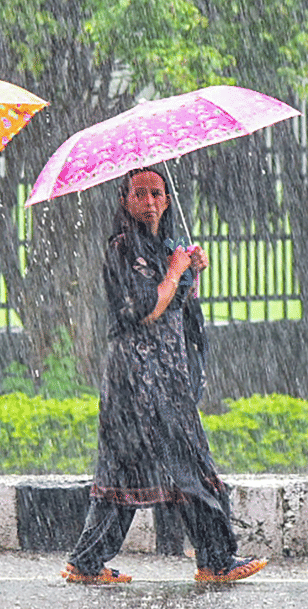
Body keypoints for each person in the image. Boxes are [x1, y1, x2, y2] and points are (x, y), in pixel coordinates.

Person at [61, 167, 267, 584]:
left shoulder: (164, 246)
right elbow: (146, 308)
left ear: (168, 200)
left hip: (168, 376)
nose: (150, 201)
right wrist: (175, 272)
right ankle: (215, 558)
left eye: (158, 193)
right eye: (141, 194)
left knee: (141, 468)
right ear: (125, 201)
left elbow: (177, 308)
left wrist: (192, 273)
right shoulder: (123, 248)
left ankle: (88, 563)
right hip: (137, 381)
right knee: (170, 464)